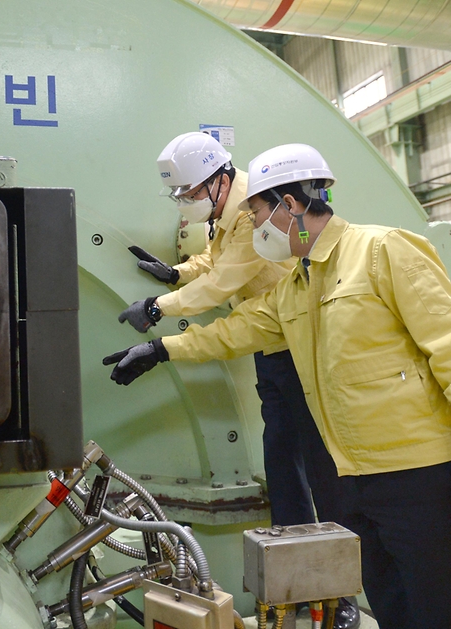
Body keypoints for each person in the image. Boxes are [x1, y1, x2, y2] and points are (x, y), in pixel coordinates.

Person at [104, 143, 451, 629]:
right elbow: (237, 329)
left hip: (422, 479)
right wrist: (162, 349)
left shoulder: (382, 250)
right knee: (394, 609)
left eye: (258, 212)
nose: (255, 225)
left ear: (290, 206)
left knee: (447, 615)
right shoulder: (295, 285)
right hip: (350, 485)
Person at [121, 132, 360, 627]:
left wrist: (157, 309)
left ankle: (341, 596)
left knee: (322, 471)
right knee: (285, 471)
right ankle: (297, 585)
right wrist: (176, 272)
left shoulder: (261, 213)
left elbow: (224, 282)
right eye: (180, 197)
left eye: (188, 194)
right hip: (272, 347)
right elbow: (216, 263)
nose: (185, 204)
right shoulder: (233, 213)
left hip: (301, 350)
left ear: (218, 179)